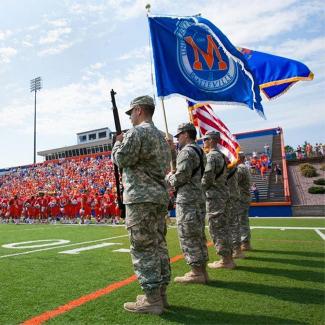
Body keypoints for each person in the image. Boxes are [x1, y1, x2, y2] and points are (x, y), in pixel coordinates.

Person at [112, 95, 171, 315]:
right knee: (159, 245)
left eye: (131, 114)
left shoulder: (137, 133)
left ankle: (151, 299)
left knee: (143, 248)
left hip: (141, 198)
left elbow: (122, 160)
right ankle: (161, 295)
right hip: (158, 197)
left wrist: (117, 144)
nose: (130, 119)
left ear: (138, 110)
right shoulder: (161, 136)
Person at [167, 123, 209, 284]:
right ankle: (202, 272)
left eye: (178, 137)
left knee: (189, 236)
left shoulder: (186, 152)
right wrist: (172, 151)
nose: (177, 140)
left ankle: (196, 273)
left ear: (185, 134)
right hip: (197, 198)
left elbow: (180, 177)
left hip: (188, 200)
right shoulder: (199, 150)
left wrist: (169, 178)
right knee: (198, 235)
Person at [201, 131, 236, 268]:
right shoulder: (221, 156)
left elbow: (207, 179)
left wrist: (197, 188)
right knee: (224, 227)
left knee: (217, 228)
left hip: (214, 197)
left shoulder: (211, 157)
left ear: (211, 140)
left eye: (205, 139)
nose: (203, 142)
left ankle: (225, 260)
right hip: (223, 194)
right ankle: (228, 258)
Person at [237, 152, 252, 251]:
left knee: (241, 221)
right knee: (243, 220)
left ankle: (245, 243)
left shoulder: (240, 168)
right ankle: (246, 243)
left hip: (241, 198)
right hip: (244, 197)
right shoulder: (244, 167)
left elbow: (235, 181)